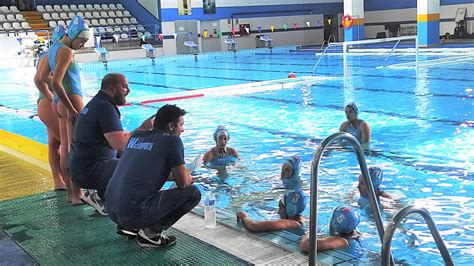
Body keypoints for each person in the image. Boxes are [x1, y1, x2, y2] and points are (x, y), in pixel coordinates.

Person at [105, 104, 201, 248]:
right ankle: (150, 234)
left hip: (110, 208)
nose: (183, 129)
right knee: (193, 193)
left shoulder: (137, 137)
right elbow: (183, 183)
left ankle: (131, 227)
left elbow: (142, 171)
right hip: (133, 213)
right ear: (170, 126)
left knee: (136, 191)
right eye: (181, 125)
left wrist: (176, 175)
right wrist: (187, 176)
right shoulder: (172, 141)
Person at [68, 73, 154, 215]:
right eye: (124, 86)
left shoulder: (99, 102)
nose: (129, 90)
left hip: (81, 166)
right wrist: (144, 128)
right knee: (132, 165)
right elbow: (120, 144)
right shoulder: (105, 108)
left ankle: (100, 195)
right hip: (87, 171)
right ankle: (105, 197)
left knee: (132, 153)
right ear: (112, 89)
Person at [47, 15, 90, 204]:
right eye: (82, 40)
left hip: (59, 103)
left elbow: (49, 79)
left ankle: (72, 194)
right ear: (73, 34)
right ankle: (78, 194)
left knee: (66, 149)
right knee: (76, 150)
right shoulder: (66, 51)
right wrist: (71, 108)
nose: (82, 45)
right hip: (70, 100)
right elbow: (56, 82)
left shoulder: (53, 49)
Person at [33, 25, 67, 191]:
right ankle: (75, 186)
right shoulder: (51, 55)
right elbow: (40, 79)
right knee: (68, 144)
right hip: (48, 103)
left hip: (45, 103)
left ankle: (59, 181)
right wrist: (52, 96)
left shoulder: (48, 54)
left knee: (55, 144)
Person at [236, 189, 306, 232]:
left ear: (289, 209)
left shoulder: (291, 223)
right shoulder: (300, 219)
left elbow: (254, 226)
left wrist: (244, 216)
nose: (278, 212)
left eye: (280, 208)